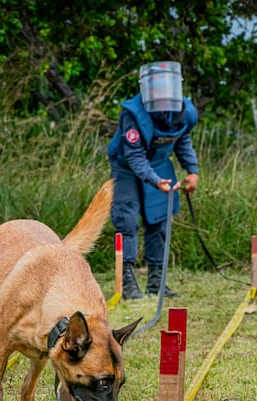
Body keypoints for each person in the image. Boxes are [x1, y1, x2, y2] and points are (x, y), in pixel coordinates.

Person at [107, 61, 199, 299]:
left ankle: (156, 283)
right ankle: (127, 283)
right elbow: (135, 156)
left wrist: (192, 171)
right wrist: (156, 181)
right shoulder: (133, 113)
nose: (162, 93)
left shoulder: (184, 112)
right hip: (126, 168)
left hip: (159, 164)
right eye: (156, 88)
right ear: (148, 88)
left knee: (159, 221)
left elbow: (182, 141)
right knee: (127, 220)